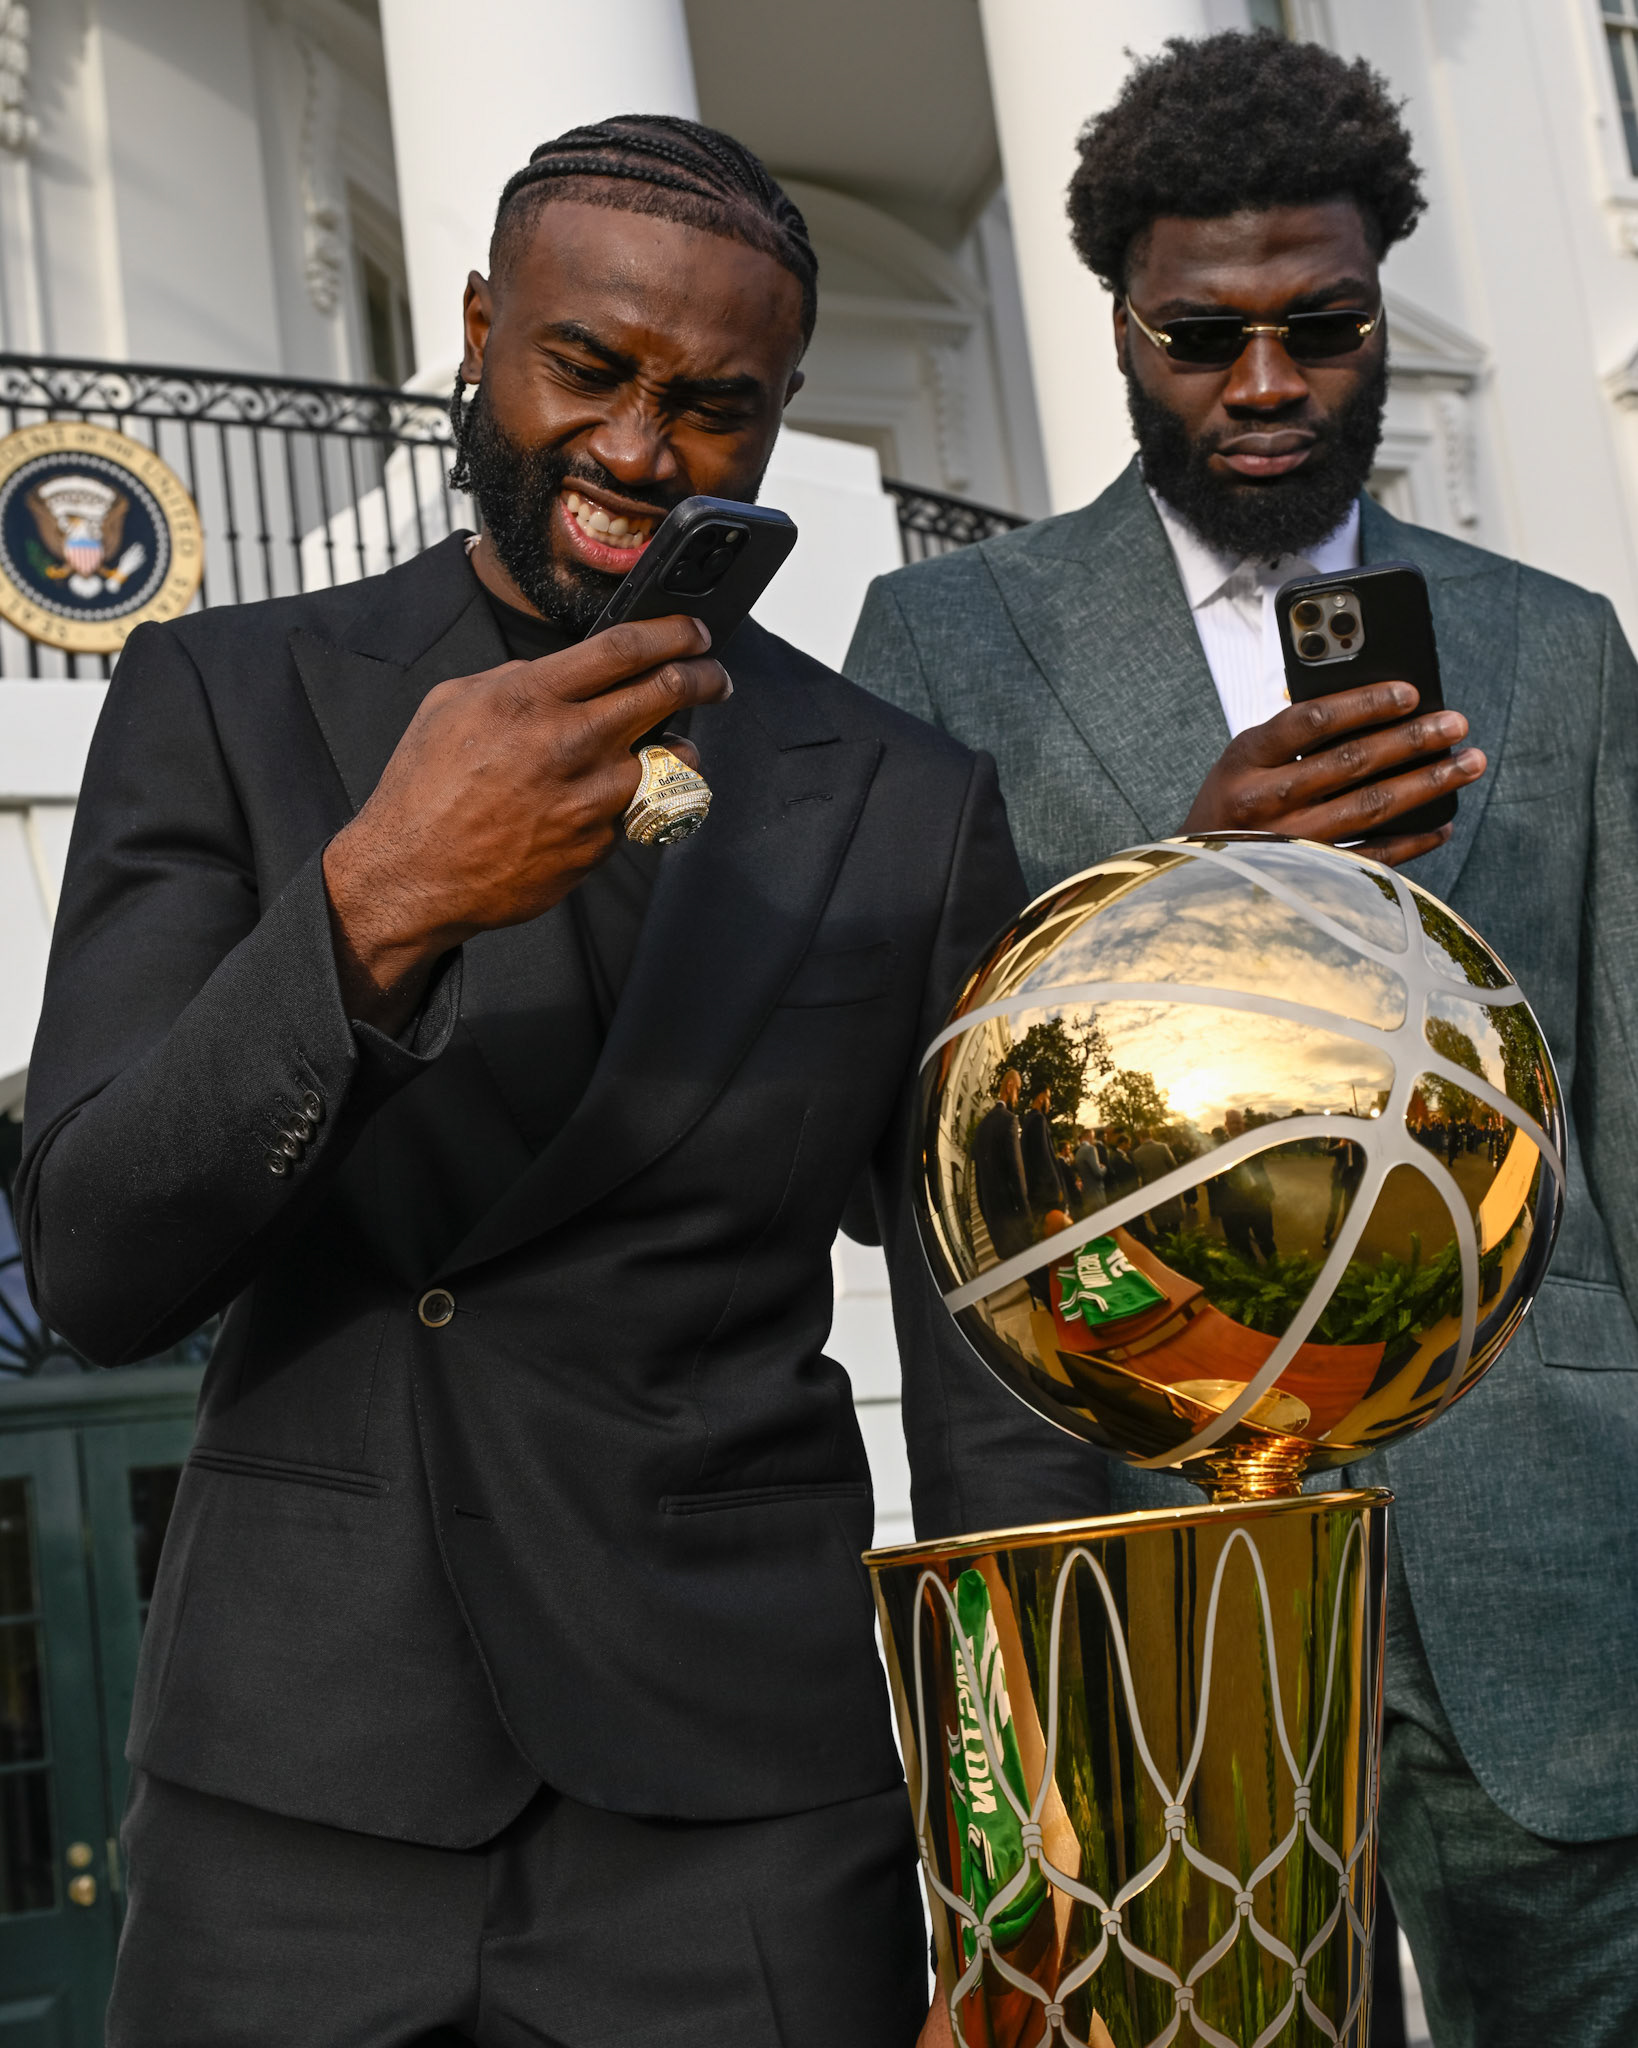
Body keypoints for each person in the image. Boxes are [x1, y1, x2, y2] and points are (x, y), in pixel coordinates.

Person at [19, 116, 1104, 2048]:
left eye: (713, 405)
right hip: (295, 1791)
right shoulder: (222, 699)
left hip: (746, 1806)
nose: (634, 451)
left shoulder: (907, 803)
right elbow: (99, 1256)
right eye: (585, 368)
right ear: (473, 328)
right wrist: (376, 903)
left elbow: (996, 1384)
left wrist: (1017, 1866)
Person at [845, 34, 1638, 2046]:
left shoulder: (1559, 647)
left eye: (1324, 329)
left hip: (1543, 1551)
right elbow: (900, 1123)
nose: (1269, 386)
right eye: (1204, 338)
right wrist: (1185, 868)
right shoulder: (944, 642)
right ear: (1116, 319)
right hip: (1148, 1542)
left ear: (1382, 310)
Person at [972, 1066, 1034, 1265]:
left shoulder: (981, 1127)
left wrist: (990, 1222)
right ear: (1009, 1087)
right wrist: (1028, 1220)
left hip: (997, 1226)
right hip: (1015, 1222)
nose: (1018, 1095)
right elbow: (1017, 1174)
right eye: (1018, 1088)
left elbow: (979, 1183)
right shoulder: (1009, 1120)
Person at [1020, 1083, 1066, 1222]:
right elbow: (1045, 1158)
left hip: (1037, 1195)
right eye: (1048, 1098)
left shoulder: (1028, 1120)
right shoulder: (1038, 1119)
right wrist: (1056, 1190)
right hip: (1047, 1196)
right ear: (1040, 1098)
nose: (1049, 1103)